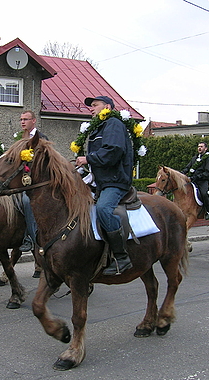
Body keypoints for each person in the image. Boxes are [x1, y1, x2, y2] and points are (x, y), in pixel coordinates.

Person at [75, 96, 133, 275]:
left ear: (107, 106)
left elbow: (113, 151)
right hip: (100, 181)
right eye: (90, 106)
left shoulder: (113, 123)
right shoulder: (100, 126)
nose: (91, 109)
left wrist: (88, 158)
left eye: (95, 105)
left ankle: (121, 257)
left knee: (103, 209)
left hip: (114, 181)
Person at [18, 110, 48, 277]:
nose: (23, 122)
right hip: (21, 180)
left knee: (27, 201)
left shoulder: (41, 138)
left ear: (34, 121)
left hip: (37, 183)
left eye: (26, 119)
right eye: (21, 119)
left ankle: (30, 237)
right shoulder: (21, 138)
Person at [182, 141, 209, 221]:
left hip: (202, 181)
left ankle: (207, 211)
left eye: (201, 146)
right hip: (193, 180)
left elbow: (207, 172)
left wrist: (197, 177)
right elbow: (188, 167)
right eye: (198, 146)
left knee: (204, 193)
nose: (199, 148)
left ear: (206, 148)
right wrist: (182, 173)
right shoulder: (195, 158)